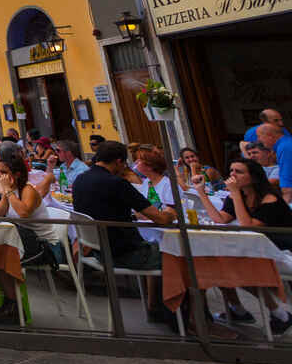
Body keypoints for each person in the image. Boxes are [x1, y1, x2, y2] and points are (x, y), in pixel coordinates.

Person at [73, 141, 177, 327]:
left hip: (97, 251)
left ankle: (155, 306)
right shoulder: (117, 183)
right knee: (178, 256)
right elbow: (160, 218)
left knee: (158, 248)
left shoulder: (80, 180)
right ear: (119, 161)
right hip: (124, 254)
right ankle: (184, 318)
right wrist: (171, 213)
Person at [191, 158, 292, 332]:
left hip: (281, 250)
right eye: (231, 171)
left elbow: (249, 227)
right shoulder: (237, 196)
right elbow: (220, 219)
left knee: (234, 269)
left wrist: (236, 194)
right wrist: (201, 192)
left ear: (253, 177)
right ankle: (250, 310)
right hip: (259, 249)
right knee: (221, 265)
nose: (232, 175)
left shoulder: (269, 198)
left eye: (238, 172)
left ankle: (274, 313)